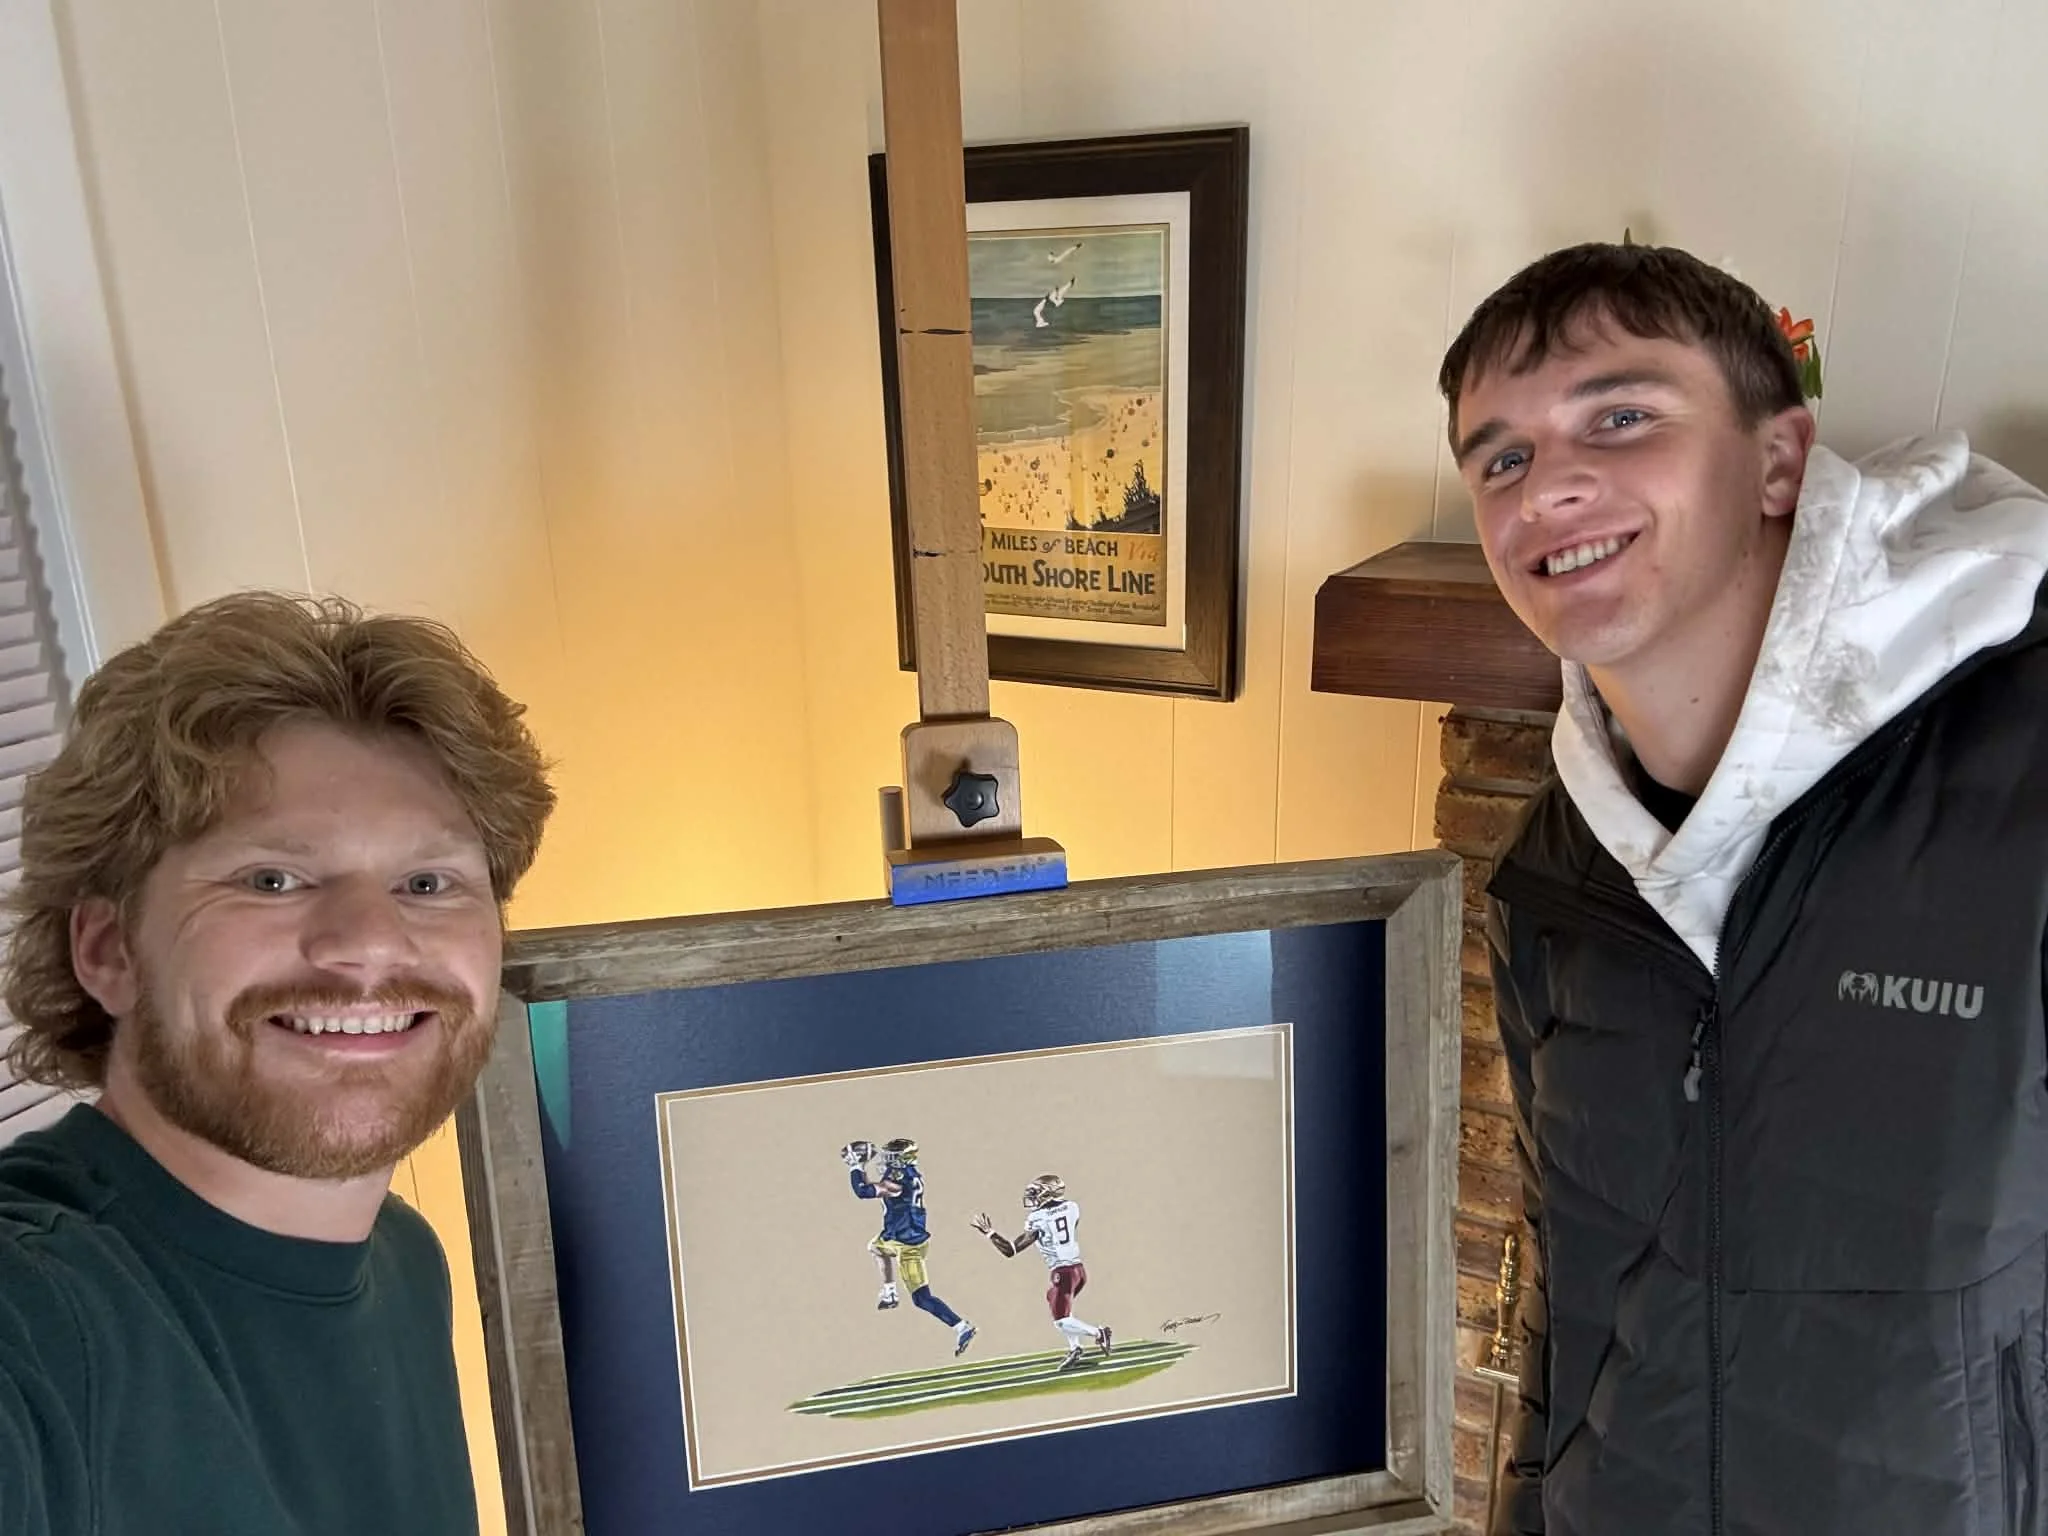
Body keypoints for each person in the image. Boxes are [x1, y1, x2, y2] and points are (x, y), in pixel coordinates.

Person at [1439, 240, 2048, 1536]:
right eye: (1501, 455)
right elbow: (1566, 1301)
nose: (1549, 483)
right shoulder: (1553, 875)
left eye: (1619, 416)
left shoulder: (2021, 776)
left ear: (1780, 460)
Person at [0, 592, 555, 1535]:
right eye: (273, 880)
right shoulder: (42, 1322)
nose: (370, 945)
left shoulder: (402, 1263)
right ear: (108, 952)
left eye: (428, 882)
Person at [841, 1135, 977, 1355]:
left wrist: (855, 1167)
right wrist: (861, 1168)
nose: (886, 1160)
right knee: (875, 1247)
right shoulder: (906, 1174)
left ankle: (962, 1327)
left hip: (908, 1243)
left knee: (921, 1298)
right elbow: (872, 1186)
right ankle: (889, 1292)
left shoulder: (899, 1179)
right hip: (896, 1234)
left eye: (892, 1157)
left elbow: (863, 1191)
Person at [973, 1172, 1112, 1371]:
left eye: (1036, 1192)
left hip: (1062, 1272)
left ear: (1048, 1193)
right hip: (1078, 1270)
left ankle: (1099, 1333)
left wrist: (990, 1233)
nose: (1032, 1196)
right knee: (1054, 1300)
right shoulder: (1072, 1207)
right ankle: (1075, 1348)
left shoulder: (1038, 1218)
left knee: (1061, 1321)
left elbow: (1011, 1250)